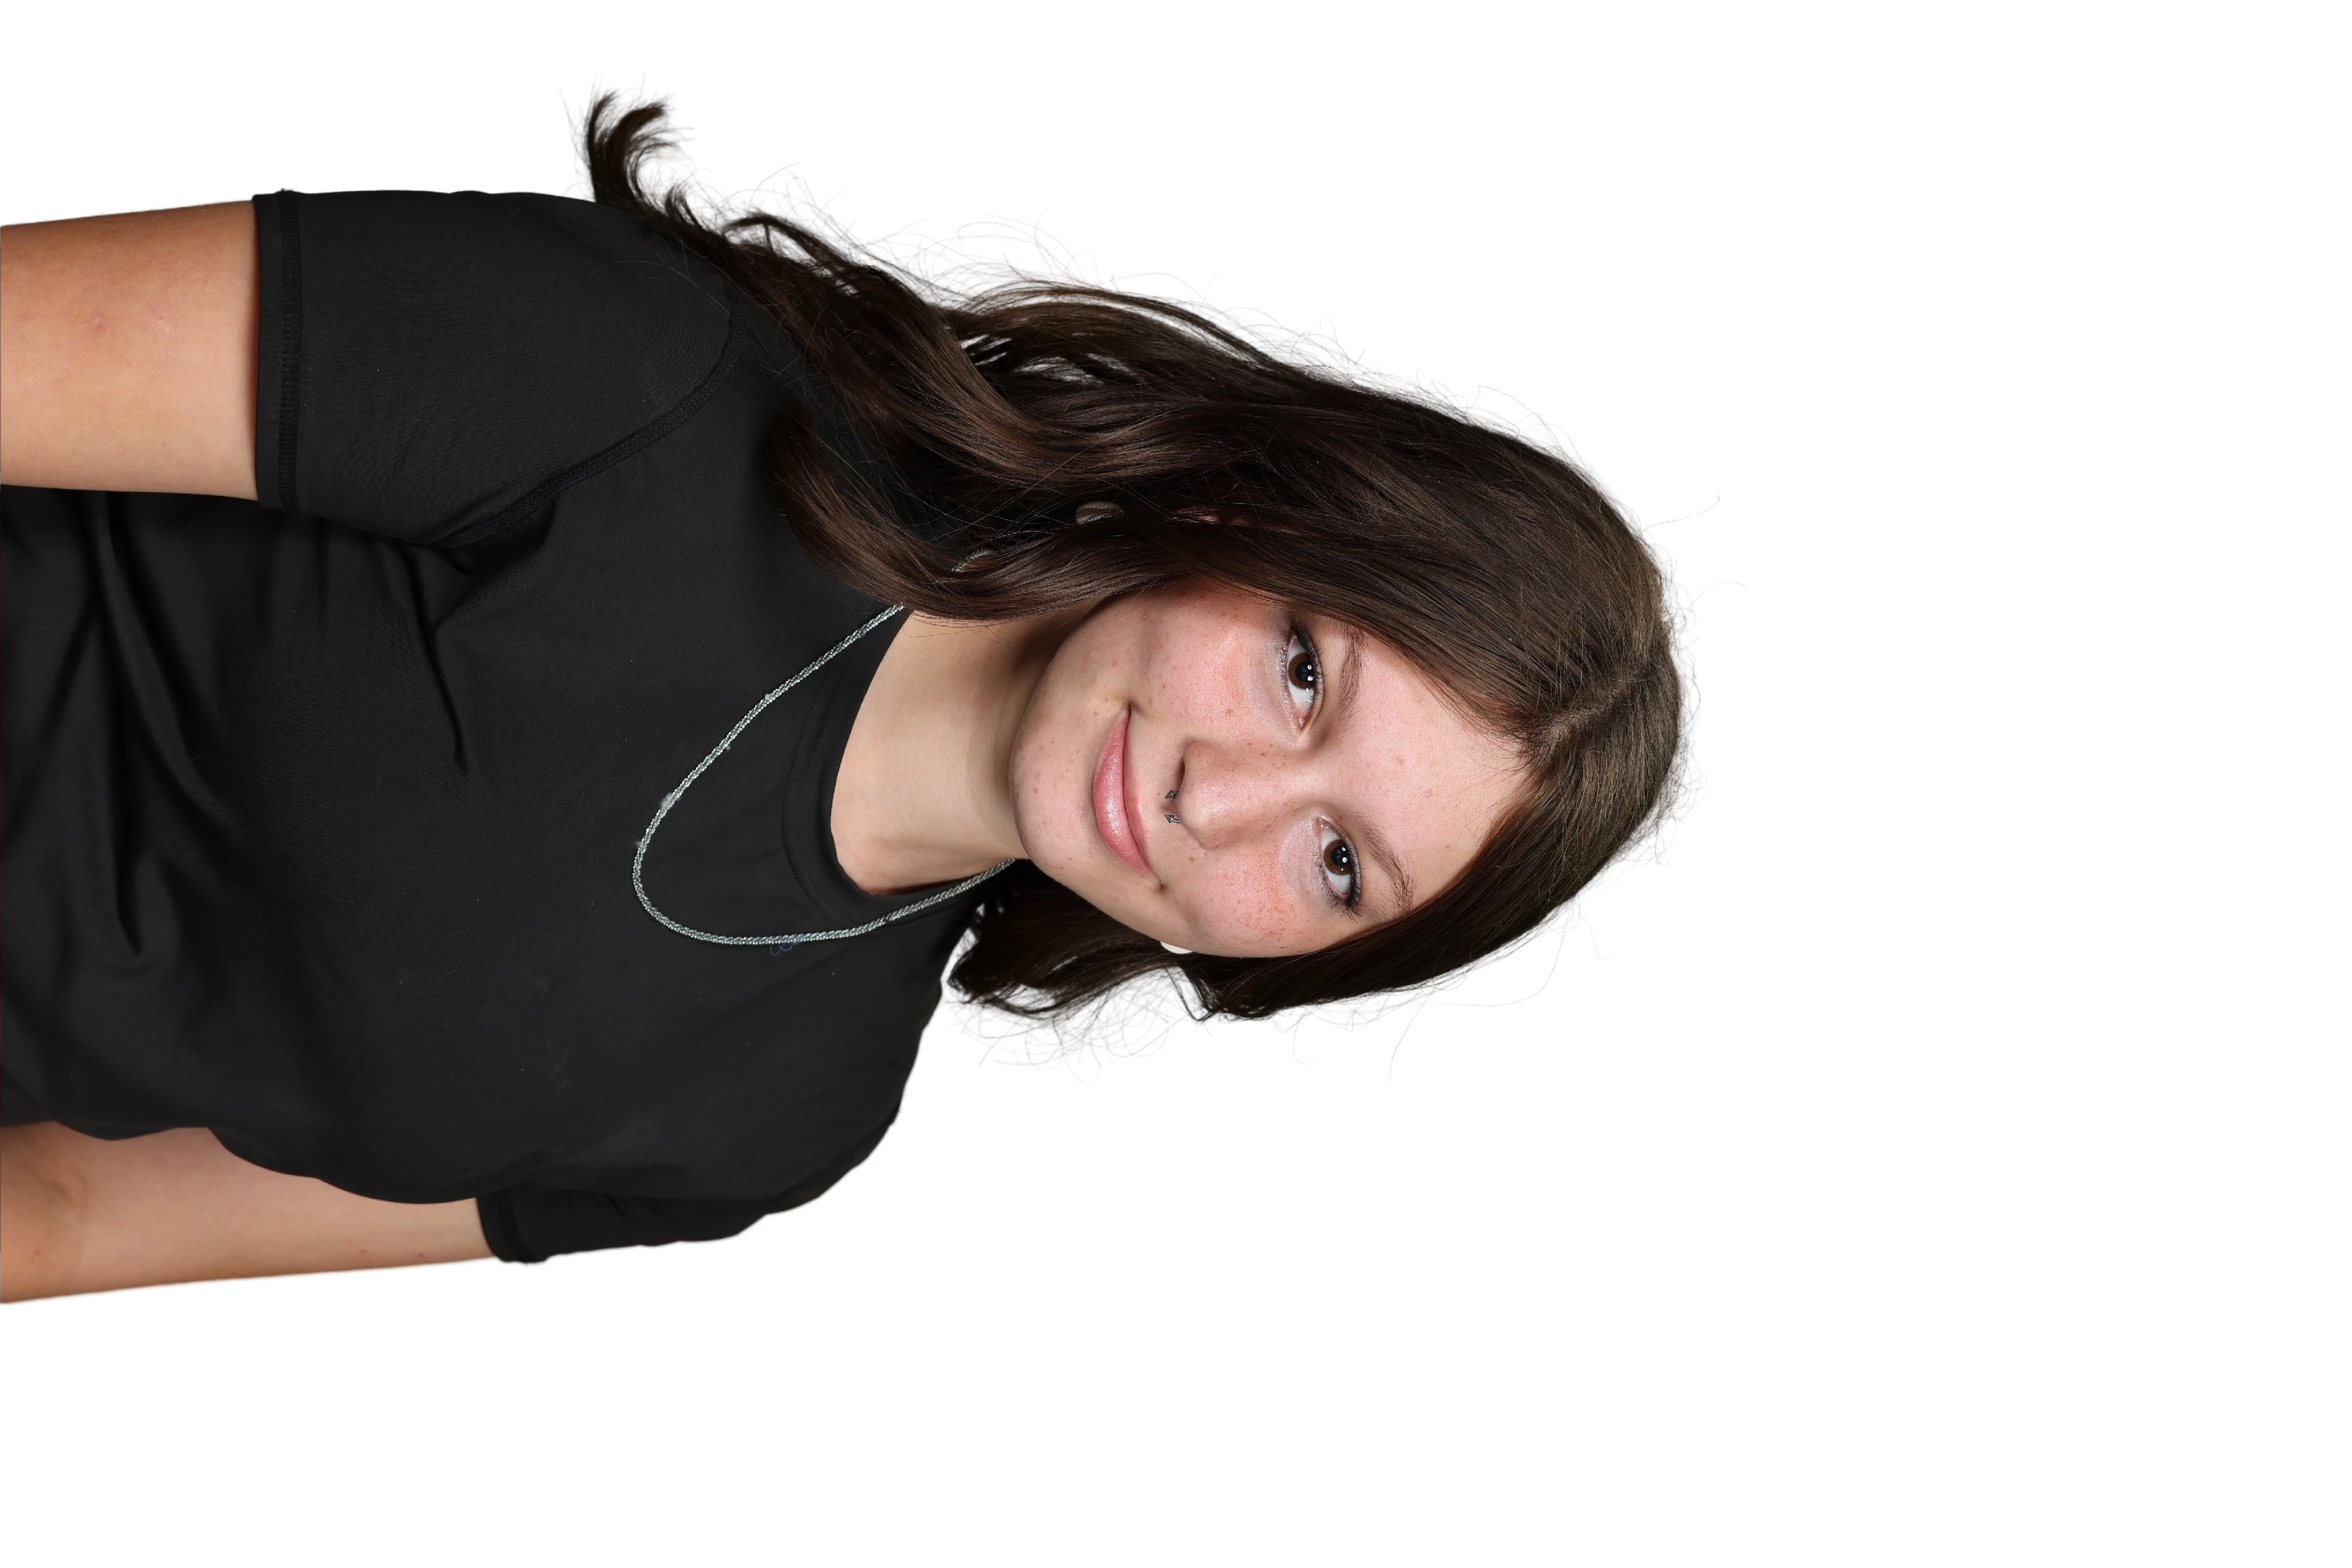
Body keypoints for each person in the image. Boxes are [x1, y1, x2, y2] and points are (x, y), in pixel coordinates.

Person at [0, 80, 1705, 1306]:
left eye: (1338, 864)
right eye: (1303, 671)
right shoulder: (645, 388)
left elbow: (66, 1208)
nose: (1225, 796)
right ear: (1238, 515)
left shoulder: (785, 1122)